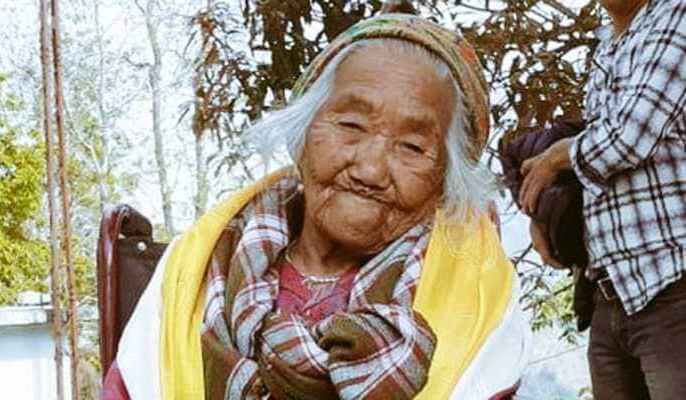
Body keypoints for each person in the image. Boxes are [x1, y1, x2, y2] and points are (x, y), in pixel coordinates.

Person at [102, 5, 530, 400]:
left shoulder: (476, 295)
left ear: (444, 183)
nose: (371, 169)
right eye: (351, 124)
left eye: (412, 147)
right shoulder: (192, 268)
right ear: (301, 137)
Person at [519, 0, 686, 398]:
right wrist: (543, 211)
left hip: (673, 285)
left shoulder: (676, 15)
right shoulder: (608, 42)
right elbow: (598, 155)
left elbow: (629, 137)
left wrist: (554, 159)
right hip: (610, 293)